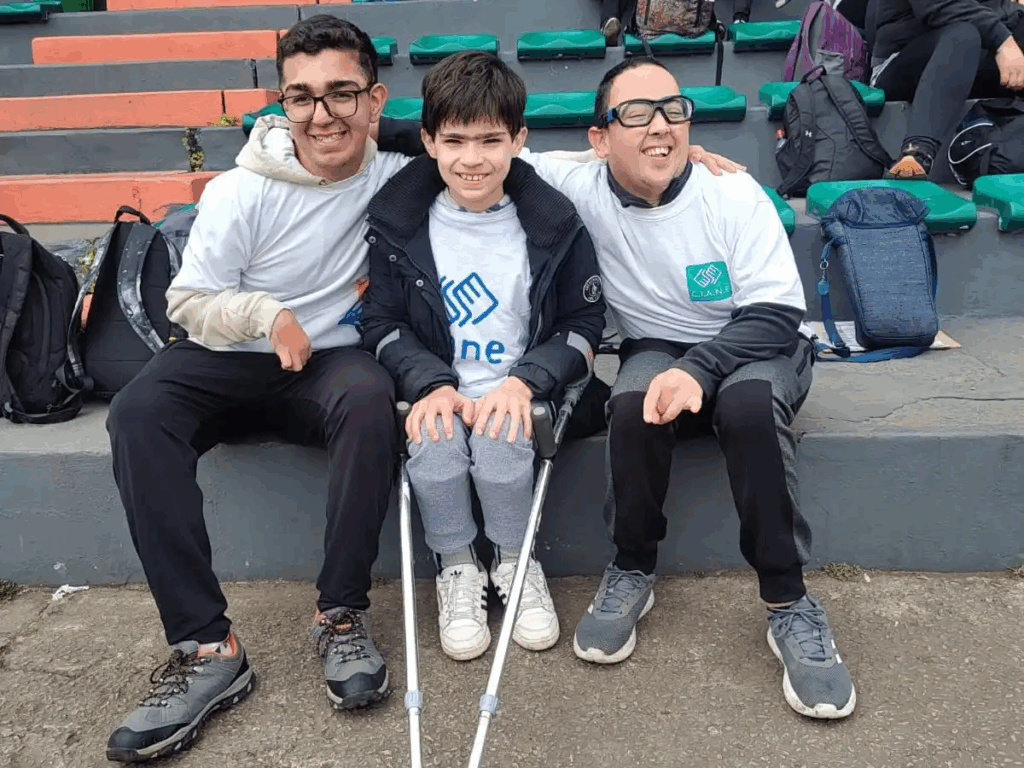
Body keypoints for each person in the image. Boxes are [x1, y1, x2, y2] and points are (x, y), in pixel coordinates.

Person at [102, 14, 427, 763]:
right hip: (229, 351)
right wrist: (268, 314)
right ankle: (206, 649)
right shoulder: (241, 190)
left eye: (341, 93)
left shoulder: (396, 170)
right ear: (282, 103)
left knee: (370, 400)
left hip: (330, 361)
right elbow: (189, 302)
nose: (321, 114)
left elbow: (502, 150)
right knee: (139, 414)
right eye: (300, 96)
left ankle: (340, 615)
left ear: (375, 100)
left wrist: (672, 153)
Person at [501, 58, 856, 720]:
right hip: (658, 346)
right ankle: (632, 568)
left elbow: (776, 314)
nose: (660, 126)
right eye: (637, 114)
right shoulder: (579, 185)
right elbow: (479, 143)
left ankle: (789, 601)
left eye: (673, 110)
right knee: (632, 403)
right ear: (600, 138)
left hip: (754, 342)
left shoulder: (732, 193)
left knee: (747, 406)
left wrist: (699, 371)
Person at [359, 51, 606, 661]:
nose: (473, 159)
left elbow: (582, 324)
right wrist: (428, 383)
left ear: (518, 139)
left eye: (491, 140)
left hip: (517, 387)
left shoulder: (554, 221)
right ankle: (457, 566)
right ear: (428, 142)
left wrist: (526, 382)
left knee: (499, 450)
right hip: (439, 386)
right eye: (455, 141)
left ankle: (516, 562)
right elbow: (382, 322)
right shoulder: (397, 221)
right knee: (436, 452)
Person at [870, 0, 1024, 179]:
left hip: (973, 58)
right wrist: (1003, 40)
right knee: (964, 35)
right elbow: (938, 7)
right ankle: (917, 151)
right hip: (904, 60)